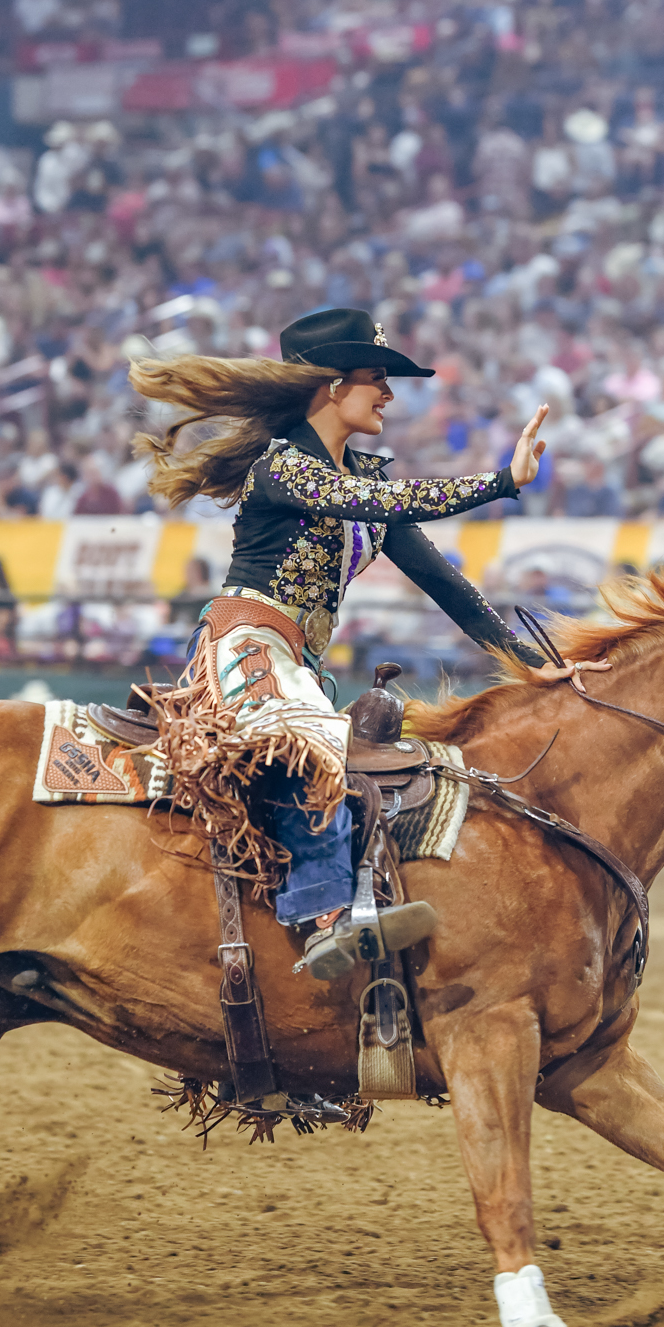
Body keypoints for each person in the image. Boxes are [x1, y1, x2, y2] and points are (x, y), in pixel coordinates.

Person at [131, 306, 548, 987]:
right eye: (376, 378)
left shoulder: (364, 483)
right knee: (311, 739)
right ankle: (326, 916)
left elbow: (447, 586)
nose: (388, 393)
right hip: (246, 642)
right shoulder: (285, 467)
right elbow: (375, 503)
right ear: (330, 386)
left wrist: (541, 666)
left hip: (293, 660)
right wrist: (501, 482)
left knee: (341, 748)